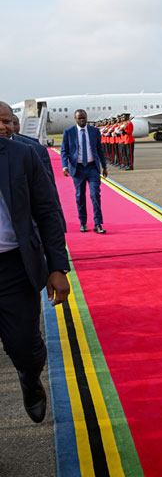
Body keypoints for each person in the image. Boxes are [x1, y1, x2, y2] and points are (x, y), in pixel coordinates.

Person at [0, 102, 70, 424]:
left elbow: (48, 212)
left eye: (6, 121)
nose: (3, 127)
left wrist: (57, 267)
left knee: (25, 347)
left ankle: (30, 377)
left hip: (14, 267)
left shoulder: (23, 156)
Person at [8, 115, 66, 231]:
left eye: (9, 122)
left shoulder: (35, 148)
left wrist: (57, 224)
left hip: (28, 224)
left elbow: (49, 191)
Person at [61, 109, 108, 234]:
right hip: (78, 168)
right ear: (75, 119)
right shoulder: (68, 132)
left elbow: (100, 149)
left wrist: (104, 166)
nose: (82, 120)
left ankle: (98, 223)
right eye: (79, 118)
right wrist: (64, 166)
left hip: (92, 168)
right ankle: (83, 222)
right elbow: (64, 151)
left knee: (95, 195)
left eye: (84, 118)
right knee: (80, 196)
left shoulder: (94, 131)